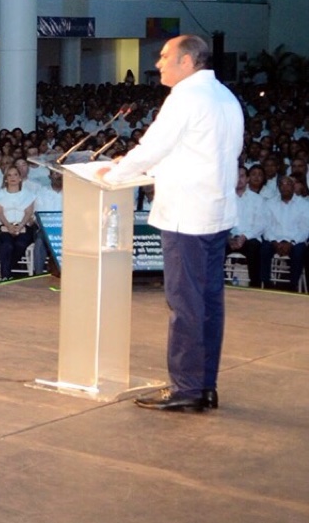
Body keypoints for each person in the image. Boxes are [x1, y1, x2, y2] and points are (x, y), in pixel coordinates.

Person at [102, 34, 243, 413]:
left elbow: (152, 148)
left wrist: (112, 175)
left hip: (187, 216)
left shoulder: (185, 98)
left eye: (165, 56)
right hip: (215, 213)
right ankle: (205, 385)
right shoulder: (225, 97)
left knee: (185, 303)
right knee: (209, 302)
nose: (158, 64)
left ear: (188, 61)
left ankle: (186, 388)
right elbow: (200, 155)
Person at [0, 165, 37, 278]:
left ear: (20, 178)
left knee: (20, 244)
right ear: (6, 179)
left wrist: (20, 226)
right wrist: (9, 226)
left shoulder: (29, 195)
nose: (13, 178)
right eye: (9, 175)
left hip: (23, 227)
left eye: (15, 175)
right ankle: (6, 276)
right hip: (5, 226)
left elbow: (28, 212)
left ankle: (5, 272)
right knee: (7, 246)